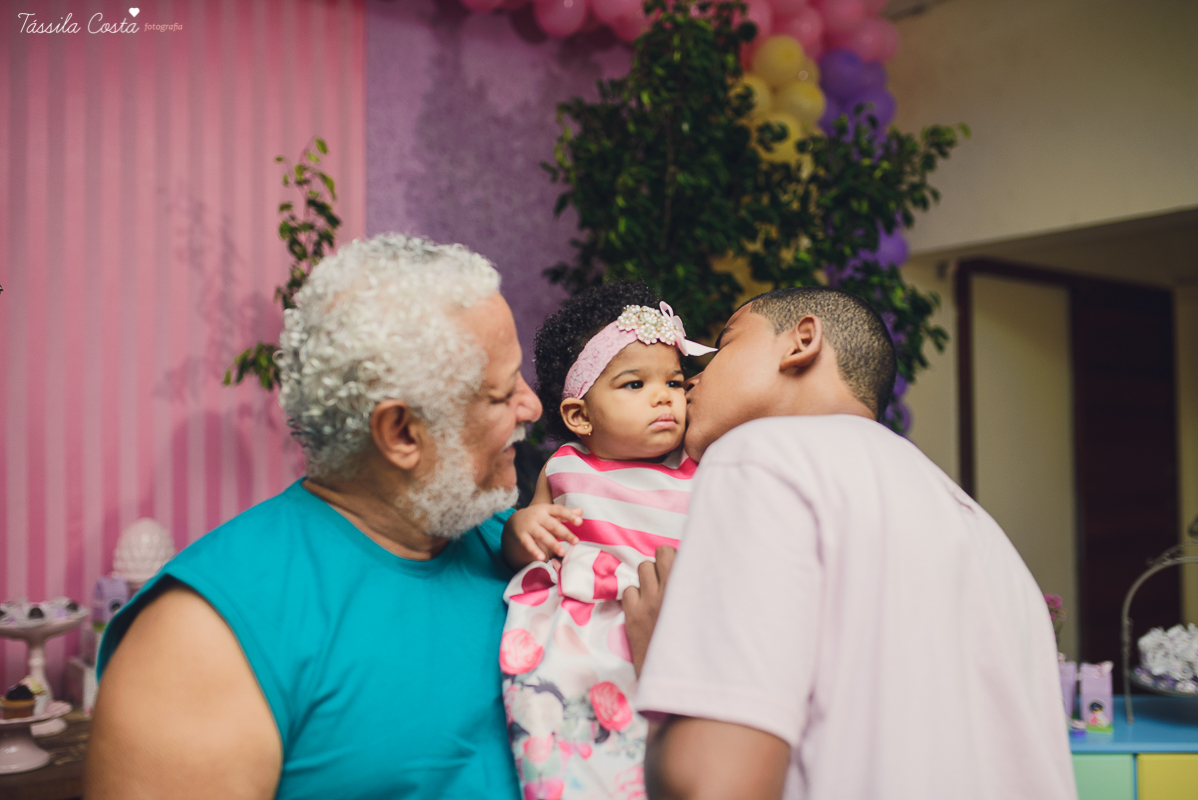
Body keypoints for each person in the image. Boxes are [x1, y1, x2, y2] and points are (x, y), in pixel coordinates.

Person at [87, 233, 583, 800]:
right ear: (401, 433)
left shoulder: (520, 547)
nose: (533, 406)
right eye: (501, 393)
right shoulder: (200, 638)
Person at [626, 287, 1076, 800]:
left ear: (802, 342)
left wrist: (663, 662)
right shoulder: (991, 542)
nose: (691, 380)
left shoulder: (762, 457)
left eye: (723, 346)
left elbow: (714, 786)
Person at [498, 281, 716, 800]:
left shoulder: (697, 468)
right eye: (634, 385)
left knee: (665, 759)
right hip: (582, 631)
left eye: (675, 382)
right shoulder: (566, 466)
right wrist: (520, 529)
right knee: (568, 733)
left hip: (668, 620)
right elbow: (527, 542)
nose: (664, 396)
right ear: (580, 416)